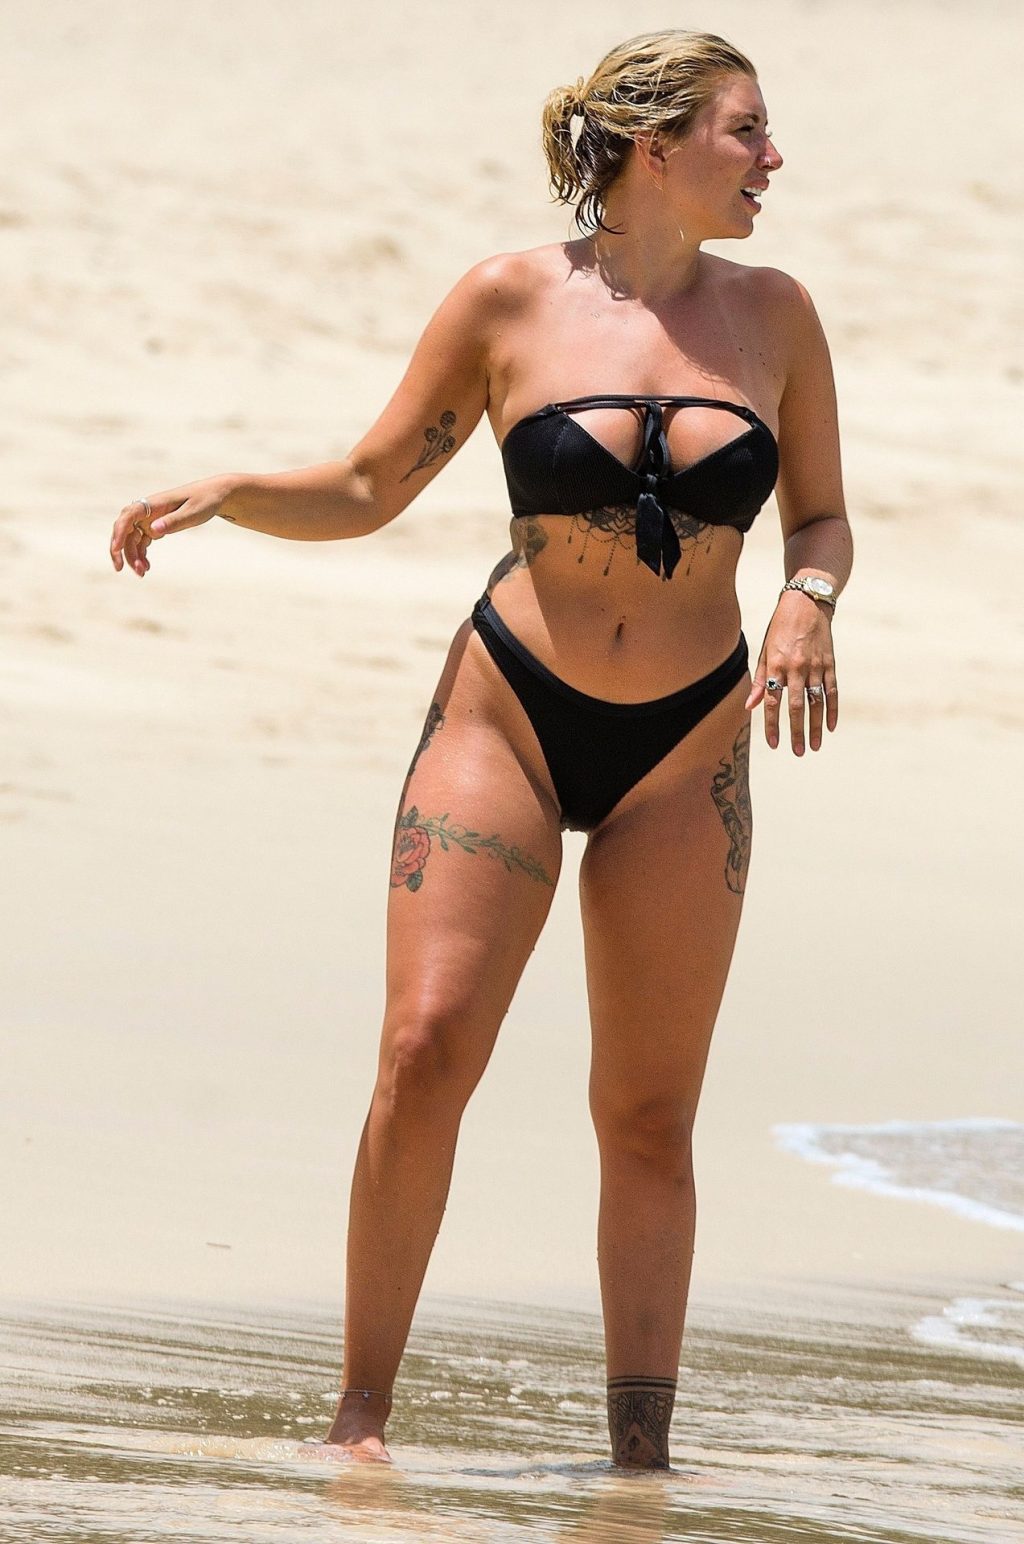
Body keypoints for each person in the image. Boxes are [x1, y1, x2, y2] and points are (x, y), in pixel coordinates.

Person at [110, 29, 852, 1470]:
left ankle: (640, 1467)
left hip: (688, 742)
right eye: (748, 131)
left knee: (649, 1114)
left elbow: (819, 513)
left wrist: (806, 601)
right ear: (658, 146)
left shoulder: (778, 317)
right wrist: (237, 490)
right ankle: (358, 1425)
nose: (773, 158)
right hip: (508, 712)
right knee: (425, 1048)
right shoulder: (511, 298)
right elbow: (371, 482)